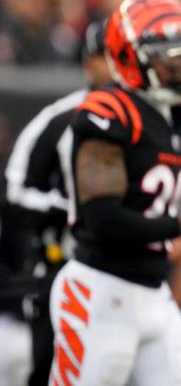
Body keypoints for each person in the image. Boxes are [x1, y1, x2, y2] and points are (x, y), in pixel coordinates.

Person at [49, 0, 181, 385]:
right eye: (168, 54)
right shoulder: (107, 113)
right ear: (129, 56)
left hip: (152, 291)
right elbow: (104, 220)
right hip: (100, 291)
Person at [3, 21, 111, 386]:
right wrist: (72, 210)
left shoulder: (163, 122)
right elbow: (14, 193)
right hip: (65, 271)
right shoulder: (61, 119)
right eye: (107, 56)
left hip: (134, 279)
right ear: (89, 62)